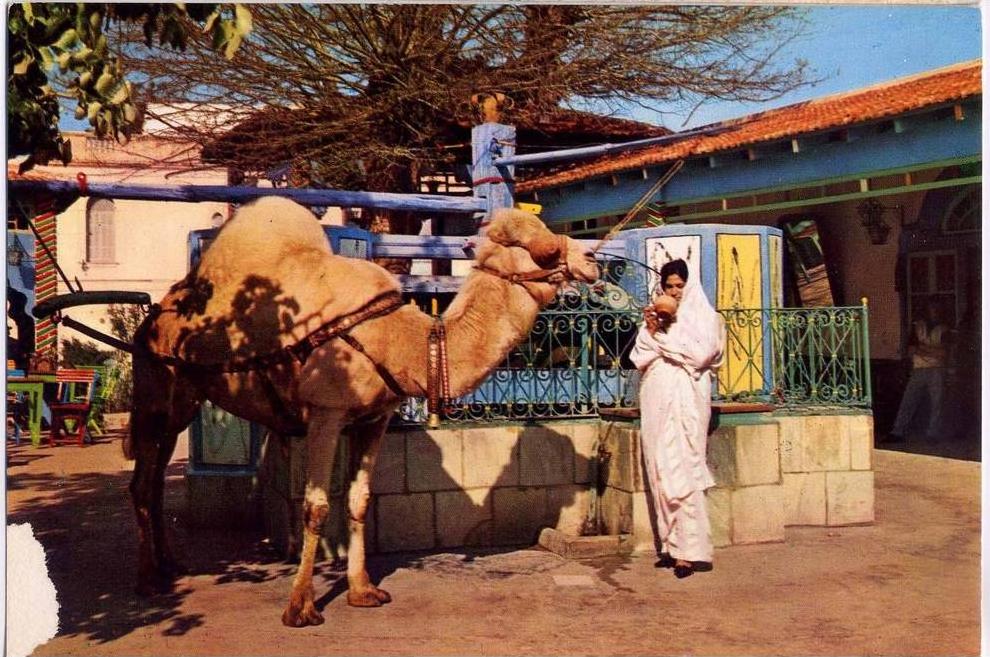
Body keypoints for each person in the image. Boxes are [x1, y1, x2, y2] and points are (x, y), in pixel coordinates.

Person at [630, 259, 725, 579]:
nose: (674, 292)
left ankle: (692, 552)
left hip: (687, 402)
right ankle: (671, 546)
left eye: (679, 286)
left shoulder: (706, 318)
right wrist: (655, 331)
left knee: (685, 471)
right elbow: (640, 356)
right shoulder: (654, 320)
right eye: (669, 286)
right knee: (660, 470)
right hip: (657, 398)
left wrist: (663, 340)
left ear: (690, 286)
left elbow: (700, 357)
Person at [885, 301, 950, 443]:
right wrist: (932, 350)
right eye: (932, 308)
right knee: (908, 400)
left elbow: (943, 353)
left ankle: (933, 434)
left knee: (937, 403)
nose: (934, 312)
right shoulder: (918, 326)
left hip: (936, 369)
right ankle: (897, 432)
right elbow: (911, 350)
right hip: (918, 368)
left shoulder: (943, 329)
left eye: (936, 309)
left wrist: (922, 349)